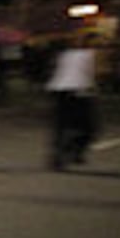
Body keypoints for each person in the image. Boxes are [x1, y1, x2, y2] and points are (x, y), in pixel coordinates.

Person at [46, 32, 98, 169]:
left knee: (61, 125)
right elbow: (100, 72)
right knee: (89, 127)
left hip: (58, 90)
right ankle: (75, 150)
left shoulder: (65, 54)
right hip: (80, 90)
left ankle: (58, 155)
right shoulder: (92, 55)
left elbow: (54, 70)